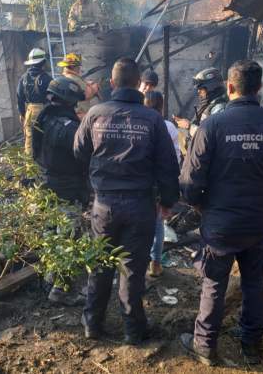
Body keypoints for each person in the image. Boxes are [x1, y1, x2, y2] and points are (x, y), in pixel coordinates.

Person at [178, 60, 263, 366]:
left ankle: (205, 345)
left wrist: (200, 204)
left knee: (214, 284)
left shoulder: (212, 126)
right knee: (254, 283)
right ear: (259, 88)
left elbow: (190, 180)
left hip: (220, 223)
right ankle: (252, 345)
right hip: (258, 222)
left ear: (230, 87)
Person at [73, 57, 179, 345]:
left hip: (104, 205)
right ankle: (133, 330)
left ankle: (92, 325)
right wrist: (168, 200)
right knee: (132, 269)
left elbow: (79, 152)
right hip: (140, 206)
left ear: (111, 82)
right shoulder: (153, 119)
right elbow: (168, 165)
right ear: (138, 85)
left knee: (101, 265)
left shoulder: (95, 113)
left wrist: (93, 180)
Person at [31, 76, 89, 306]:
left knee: (50, 235)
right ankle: (61, 290)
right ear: (68, 100)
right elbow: (85, 154)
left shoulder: (43, 118)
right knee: (69, 240)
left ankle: (48, 279)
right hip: (66, 191)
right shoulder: (68, 128)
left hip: (45, 185)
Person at [143, 91, 180, 278]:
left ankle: (135, 264)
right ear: (161, 106)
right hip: (159, 183)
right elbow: (175, 158)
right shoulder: (169, 127)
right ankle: (155, 264)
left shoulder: (139, 124)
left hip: (141, 182)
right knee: (157, 226)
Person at [173, 67, 228, 142]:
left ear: (211, 87)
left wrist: (189, 126)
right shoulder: (208, 105)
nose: (198, 92)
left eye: (201, 89)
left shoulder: (219, 108)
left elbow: (211, 137)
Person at [17, 48, 53, 155]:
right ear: (43, 62)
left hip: (29, 111)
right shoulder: (47, 78)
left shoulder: (23, 78)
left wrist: (23, 114)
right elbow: (53, 97)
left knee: (29, 139)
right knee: (46, 137)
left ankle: (30, 168)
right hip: (44, 110)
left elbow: (19, 97)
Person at [57, 52, 100, 117]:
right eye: (78, 66)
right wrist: (94, 87)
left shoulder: (63, 78)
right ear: (73, 67)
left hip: (69, 114)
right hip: (80, 115)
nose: (79, 68)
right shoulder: (75, 79)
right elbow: (87, 94)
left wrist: (86, 84)